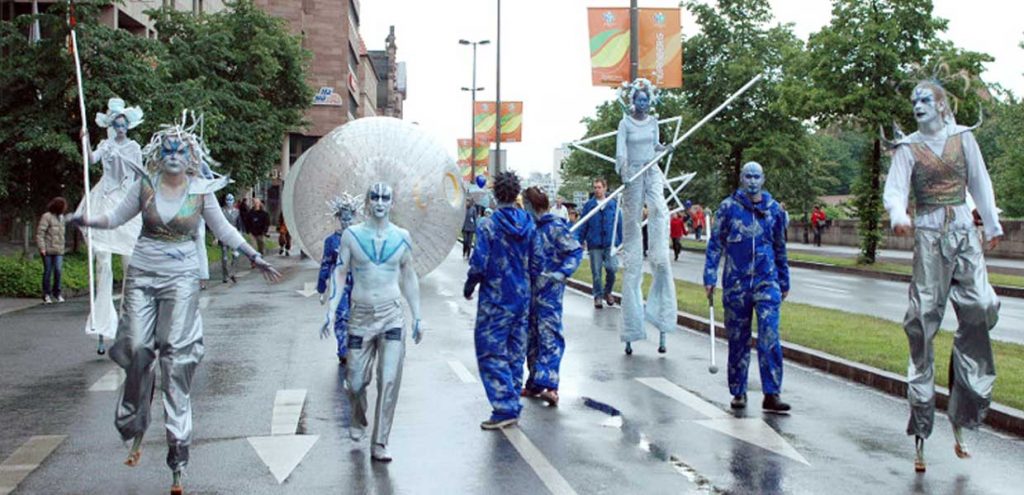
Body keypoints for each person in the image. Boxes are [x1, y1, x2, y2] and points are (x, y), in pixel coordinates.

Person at [71, 114, 281, 495]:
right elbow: (116, 217)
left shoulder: (201, 191)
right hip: (142, 274)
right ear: (157, 154)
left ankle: (178, 451)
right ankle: (136, 421)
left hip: (181, 278)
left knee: (175, 356)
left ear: (191, 156)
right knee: (136, 349)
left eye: (179, 149)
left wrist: (254, 255)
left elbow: (224, 230)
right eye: (166, 149)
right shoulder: (144, 185)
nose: (172, 154)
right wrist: (86, 220)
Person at [882, 80, 1001, 473]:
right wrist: (899, 215)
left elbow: (980, 181)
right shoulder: (907, 147)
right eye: (913, 100)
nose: (917, 105)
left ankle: (963, 413)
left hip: (964, 232)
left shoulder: (964, 138)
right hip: (930, 237)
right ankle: (920, 429)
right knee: (922, 323)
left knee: (982, 307)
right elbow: (896, 190)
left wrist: (993, 224)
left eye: (924, 100)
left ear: (941, 106)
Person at [329, 182, 422, 463]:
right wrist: (331, 308)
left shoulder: (403, 237)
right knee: (355, 382)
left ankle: (380, 441)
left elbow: (409, 275)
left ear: (392, 203)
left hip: (392, 315)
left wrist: (417, 315)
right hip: (360, 315)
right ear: (368, 202)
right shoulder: (351, 235)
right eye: (375, 197)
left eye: (386, 198)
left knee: (389, 380)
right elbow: (341, 271)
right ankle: (358, 418)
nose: (380, 203)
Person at [704, 161, 791, 413]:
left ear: (763, 179)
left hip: (766, 280)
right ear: (742, 179)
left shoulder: (773, 210)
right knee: (738, 339)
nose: (752, 181)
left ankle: (772, 393)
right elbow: (715, 244)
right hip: (736, 284)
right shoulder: (728, 208)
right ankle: (738, 391)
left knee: (770, 336)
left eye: (757, 177)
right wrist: (709, 276)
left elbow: (780, 247)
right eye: (748, 176)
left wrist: (784, 280)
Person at [464, 171, 535, 429]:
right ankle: (513, 399)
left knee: (490, 351)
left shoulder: (489, 225)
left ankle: (504, 407)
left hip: (496, 298)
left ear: (495, 194)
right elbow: (536, 260)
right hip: (521, 296)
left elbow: (479, 262)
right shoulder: (528, 223)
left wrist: (470, 285)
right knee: (515, 351)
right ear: (516, 193)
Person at [615, 78, 678, 355]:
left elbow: (656, 146)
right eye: (639, 99)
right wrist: (625, 172)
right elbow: (621, 151)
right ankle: (632, 328)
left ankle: (658, 248)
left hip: (651, 170)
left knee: (660, 210)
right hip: (634, 175)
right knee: (632, 239)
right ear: (633, 101)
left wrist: (666, 150)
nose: (644, 103)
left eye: (646, 99)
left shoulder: (653, 122)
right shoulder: (625, 123)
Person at [78, 98, 144, 350]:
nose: (120, 128)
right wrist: (85, 140)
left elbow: (139, 176)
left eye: (124, 124)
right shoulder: (105, 145)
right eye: (116, 123)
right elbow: (92, 160)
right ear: (110, 125)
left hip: (124, 205)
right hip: (104, 202)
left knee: (130, 265)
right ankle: (102, 322)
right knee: (103, 262)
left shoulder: (134, 147)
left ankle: (128, 324)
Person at [520, 187, 583, 407]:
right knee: (532, 338)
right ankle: (535, 382)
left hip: (550, 293)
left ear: (533, 204)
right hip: (531, 293)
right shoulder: (529, 228)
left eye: (526, 203)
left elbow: (575, 251)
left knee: (549, 337)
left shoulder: (555, 228)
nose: (524, 207)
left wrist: (562, 272)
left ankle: (551, 386)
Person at [318, 193, 361, 365]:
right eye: (343, 219)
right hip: (340, 284)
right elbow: (325, 264)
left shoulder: (361, 239)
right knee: (342, 315)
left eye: (349, 219)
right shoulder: (331, 241)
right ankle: (343, 349)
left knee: (358, 316)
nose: (346, 222)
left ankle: (357, 347)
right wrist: (321, 287)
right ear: (338, 218)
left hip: (359, 284)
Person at [576, 178, 622, 309]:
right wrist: (580, 240)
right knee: (596, 272)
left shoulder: (613, 204)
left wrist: (619, 242)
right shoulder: (589, 205)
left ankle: (608, 292)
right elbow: (583, 223)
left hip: (609, 243)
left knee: (612, 268)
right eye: (595, 187)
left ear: (605, 188)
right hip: (594, 243)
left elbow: (619, 222)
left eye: (599, 187)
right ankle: (598, 296)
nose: (597, 190)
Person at [36, 197, 67, 304]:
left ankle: (57, 293)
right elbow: (40, 233)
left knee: (58, 270)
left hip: (59, 250)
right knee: (48, 271)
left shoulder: (62, 218)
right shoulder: (46, 216)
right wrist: (42, 248)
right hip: (47, 250)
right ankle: (46, 294)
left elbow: (62, 235)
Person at [219, 194, 243, 283]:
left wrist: (240, 235)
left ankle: (233, 273)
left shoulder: (237, 212)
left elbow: (239, 224)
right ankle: (225, 275)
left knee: (235, 255)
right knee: (224, 258)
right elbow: (218, 224)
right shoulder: (221, 211)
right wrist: (216, 236)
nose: (229, 202)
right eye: (228, 200)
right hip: (224, 236)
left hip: (234, 235)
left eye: (231, 200)